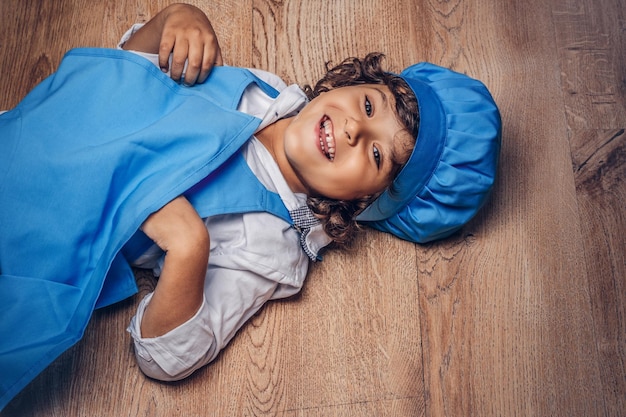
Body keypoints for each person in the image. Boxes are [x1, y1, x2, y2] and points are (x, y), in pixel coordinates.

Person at [0, 3, 501, 409]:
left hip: (33, 246)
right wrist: (174, 21)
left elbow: (167, 357)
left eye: (375, 155)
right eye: (369, 106)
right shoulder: (259, 89)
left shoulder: (269, 245)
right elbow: (128, 72)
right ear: (352, 81)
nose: (354, 129)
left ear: (365, 204)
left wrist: (188, 246)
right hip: (29, 134)